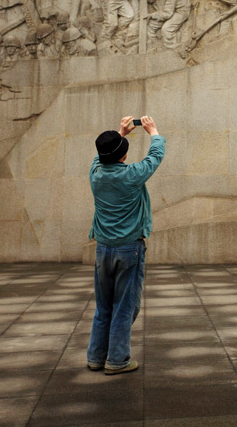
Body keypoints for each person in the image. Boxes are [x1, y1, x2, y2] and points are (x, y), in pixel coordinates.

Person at [86, 115, 165, 375]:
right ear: (123, 155)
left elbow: (99, 158)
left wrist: (120, 134)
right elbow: (155, 158)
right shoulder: (132, 175)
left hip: (102, 249)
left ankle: (96, 357)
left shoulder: (95, 175)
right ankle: (117, 360)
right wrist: (153, 132)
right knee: (124, 306)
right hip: (129, 249)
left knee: (103, 306)